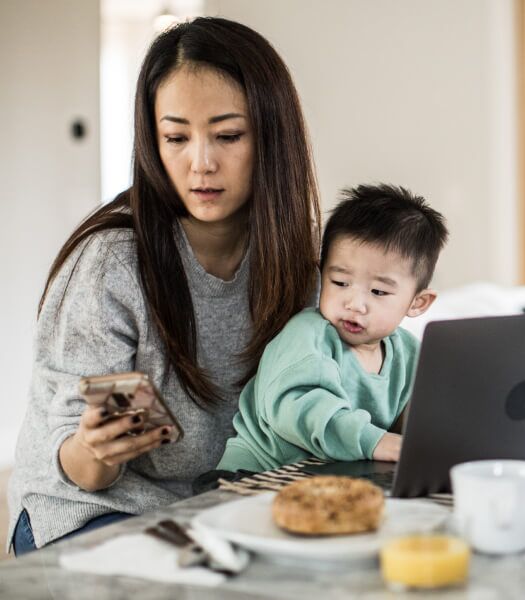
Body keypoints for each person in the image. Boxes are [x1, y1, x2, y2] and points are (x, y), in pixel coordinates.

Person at [7, 17, 320, 555]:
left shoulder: (299, 258)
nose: (201, 163)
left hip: (220, 509)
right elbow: (81, 470)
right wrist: (97, 447)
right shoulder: (113, 262)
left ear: (272, 135)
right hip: (95, 511)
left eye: (227, 135)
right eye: (175, 137)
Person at [216, 184, 448, 473]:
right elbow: (300, 408)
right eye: (340, 282)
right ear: (321, 274)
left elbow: (410, 422)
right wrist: (373, 441)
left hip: (323, 480)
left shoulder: (408, 353)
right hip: (253, 474)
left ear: (418, 303)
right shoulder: (308, 335)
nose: (355, 303)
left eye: (377, 292)